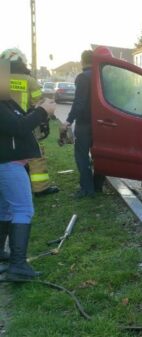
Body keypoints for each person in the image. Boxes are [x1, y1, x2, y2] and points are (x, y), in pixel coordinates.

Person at [0, 59, 56, 279]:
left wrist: (36, 111)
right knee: (24, 210)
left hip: (9, 163)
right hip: (8, 165)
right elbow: (18, 127)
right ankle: (18, 265)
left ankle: (4, 257)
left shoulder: (5, 102)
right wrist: (42, 111)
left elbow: (19, 119)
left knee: (5, 209)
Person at [0, 48, 60, 197]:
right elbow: (39, 102)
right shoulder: (29, 81)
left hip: (5, 123)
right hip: (26, 122)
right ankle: (40, 188)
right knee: (36, 155)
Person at [61, 50, 104, 198]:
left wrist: (68, 120)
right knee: (99, 156)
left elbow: (79, 103)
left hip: (85, 124)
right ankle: (98, 186)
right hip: (102, 124)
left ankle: (86, 189)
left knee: (82, 156)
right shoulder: (102, 76)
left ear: (82, 61)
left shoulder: (83, 77)